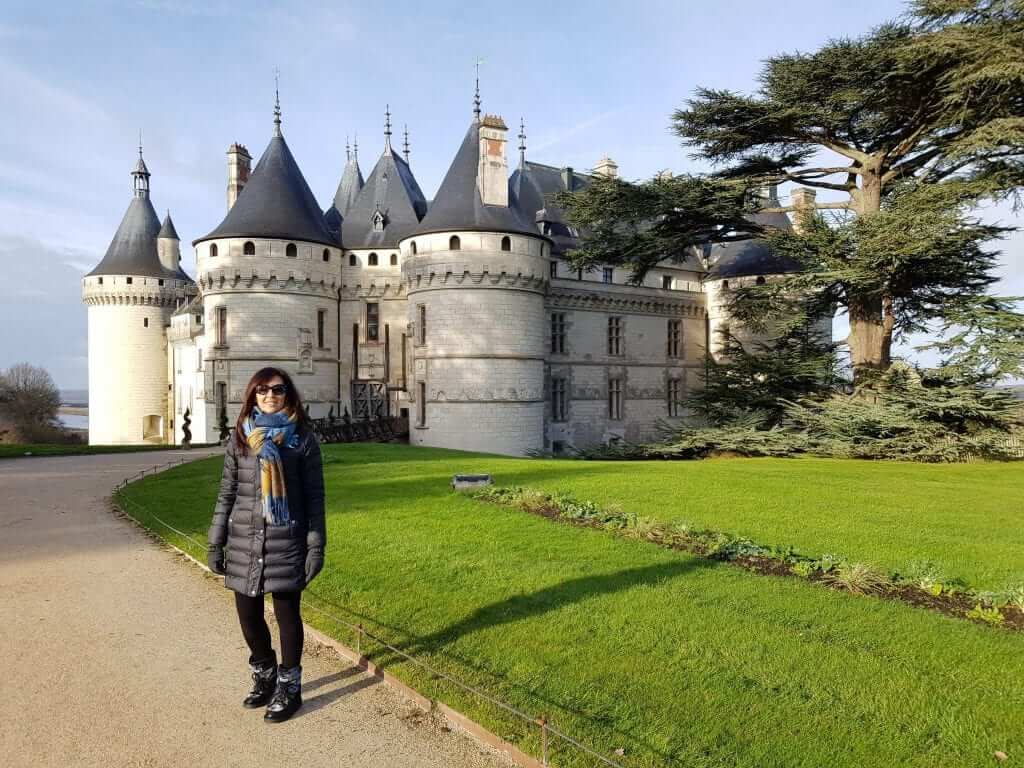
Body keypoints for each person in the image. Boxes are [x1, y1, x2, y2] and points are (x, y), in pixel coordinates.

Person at [206, 367, 325, 723]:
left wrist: (315, 547)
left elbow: (315, 498)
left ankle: (290, 686)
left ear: (289, 395)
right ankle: (265, 673)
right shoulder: (241, 438)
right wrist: (216, 541)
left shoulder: (302, 439)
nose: (270, 395)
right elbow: (227, 491)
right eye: (262, 390)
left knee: (288, 615)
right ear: (252, 395)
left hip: (286, 538)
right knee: (248, 616)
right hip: (245, 538)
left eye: (278, 389)